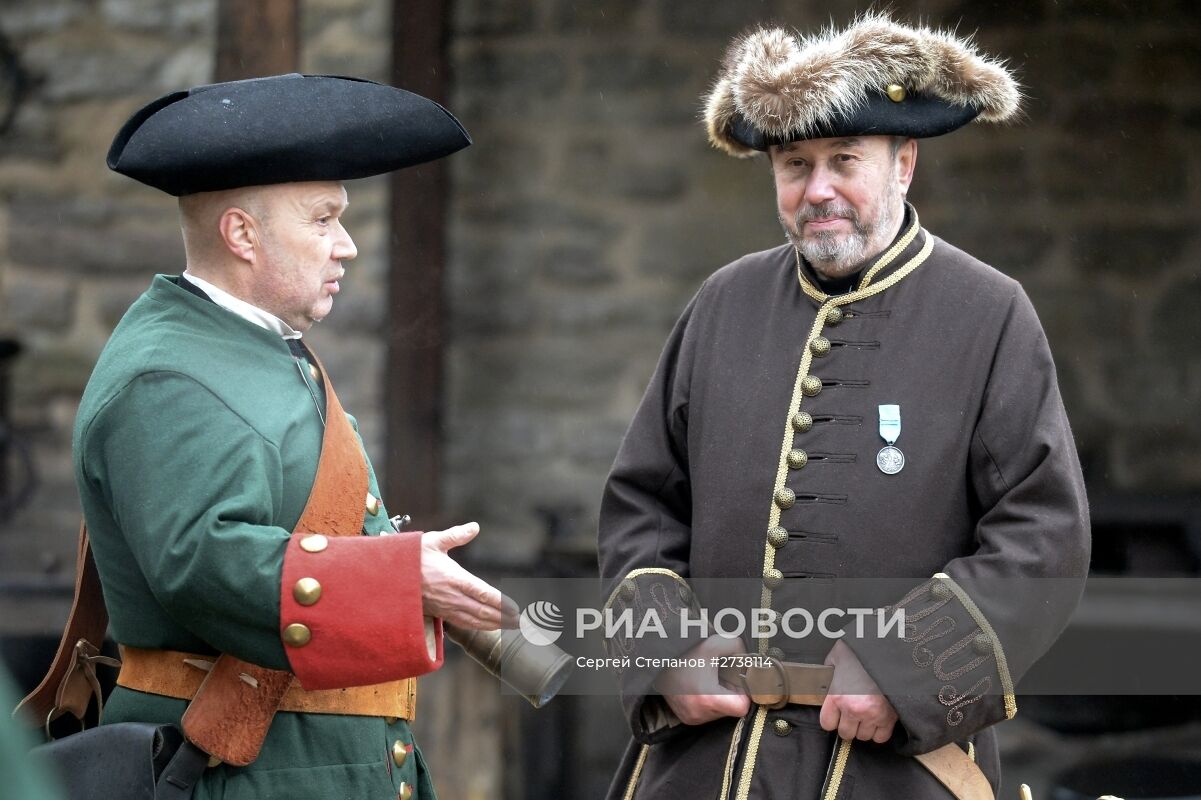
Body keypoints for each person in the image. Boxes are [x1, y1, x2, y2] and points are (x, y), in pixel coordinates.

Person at [597, 13, 1090, 799]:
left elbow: (1043, 541)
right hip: (708, 765)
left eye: (844, 161)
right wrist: (670, 652)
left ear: (903, 164)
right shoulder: (721, 304)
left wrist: (902, 666)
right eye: (795, 164)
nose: (817, 189)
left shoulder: (988, 312)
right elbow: (641, 506)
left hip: (894, 771)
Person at [66, 74, 504, 799]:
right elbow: (200, 559)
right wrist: (395, 579)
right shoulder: (166, 376)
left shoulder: (246, 345)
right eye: (324, 219)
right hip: (238, 775)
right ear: (241, 233)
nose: (348, 246)